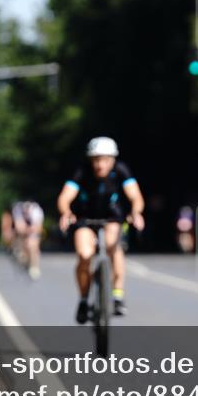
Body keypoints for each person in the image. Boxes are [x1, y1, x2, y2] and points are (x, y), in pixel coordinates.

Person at [57, 137, 145, 321]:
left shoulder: (121, 171)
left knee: (114, 246)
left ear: (112, 160)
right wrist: (66, 212)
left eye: (105, 159)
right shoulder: (82, 172)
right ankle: (83, 299)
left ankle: (117, 295)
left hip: (112, 217)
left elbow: (136, 197)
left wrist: (136, 213)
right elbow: (65, 197)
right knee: (84, 255)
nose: (100, 164)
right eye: (96, 159)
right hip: (85, 219)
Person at [12, 200, 44, 279]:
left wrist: (30, 232)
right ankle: (23, 255)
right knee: (23, 243)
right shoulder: (18, 210)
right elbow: (19, 227)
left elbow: (38, 228)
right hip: (24, 229)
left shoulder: (37, 211)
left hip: (34, 227)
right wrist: (24, 231)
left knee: (32, 245)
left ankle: (34, 266)